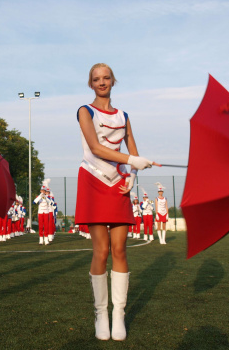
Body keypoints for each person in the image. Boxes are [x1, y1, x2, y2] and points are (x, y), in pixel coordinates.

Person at [75, 63, 154, 341]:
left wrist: (132, 173)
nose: (102, 82)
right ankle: (101, 314)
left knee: (120, 249)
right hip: (94, 180)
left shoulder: (124, 115)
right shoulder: (85, 111)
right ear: (90, 83)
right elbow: (96, 147)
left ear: (113, 81)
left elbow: (132, 146)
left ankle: (118, 314)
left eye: (106, 77)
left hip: (119, 184)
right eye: (96, 79)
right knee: (102, 250)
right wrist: (132, 161)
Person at [34, 180, 51, 245]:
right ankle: (41, 239)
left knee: (46, 226)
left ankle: (46, 239)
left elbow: (49, 203)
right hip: (40, 212)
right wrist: (40, 197)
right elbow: (34, 202)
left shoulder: (47, 197)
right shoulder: (38, 197)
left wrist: (45, 197)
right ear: (40, 191)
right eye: (42, 190)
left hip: (46, 212)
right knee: (41, 226)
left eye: (44, 191)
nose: (43, 192)